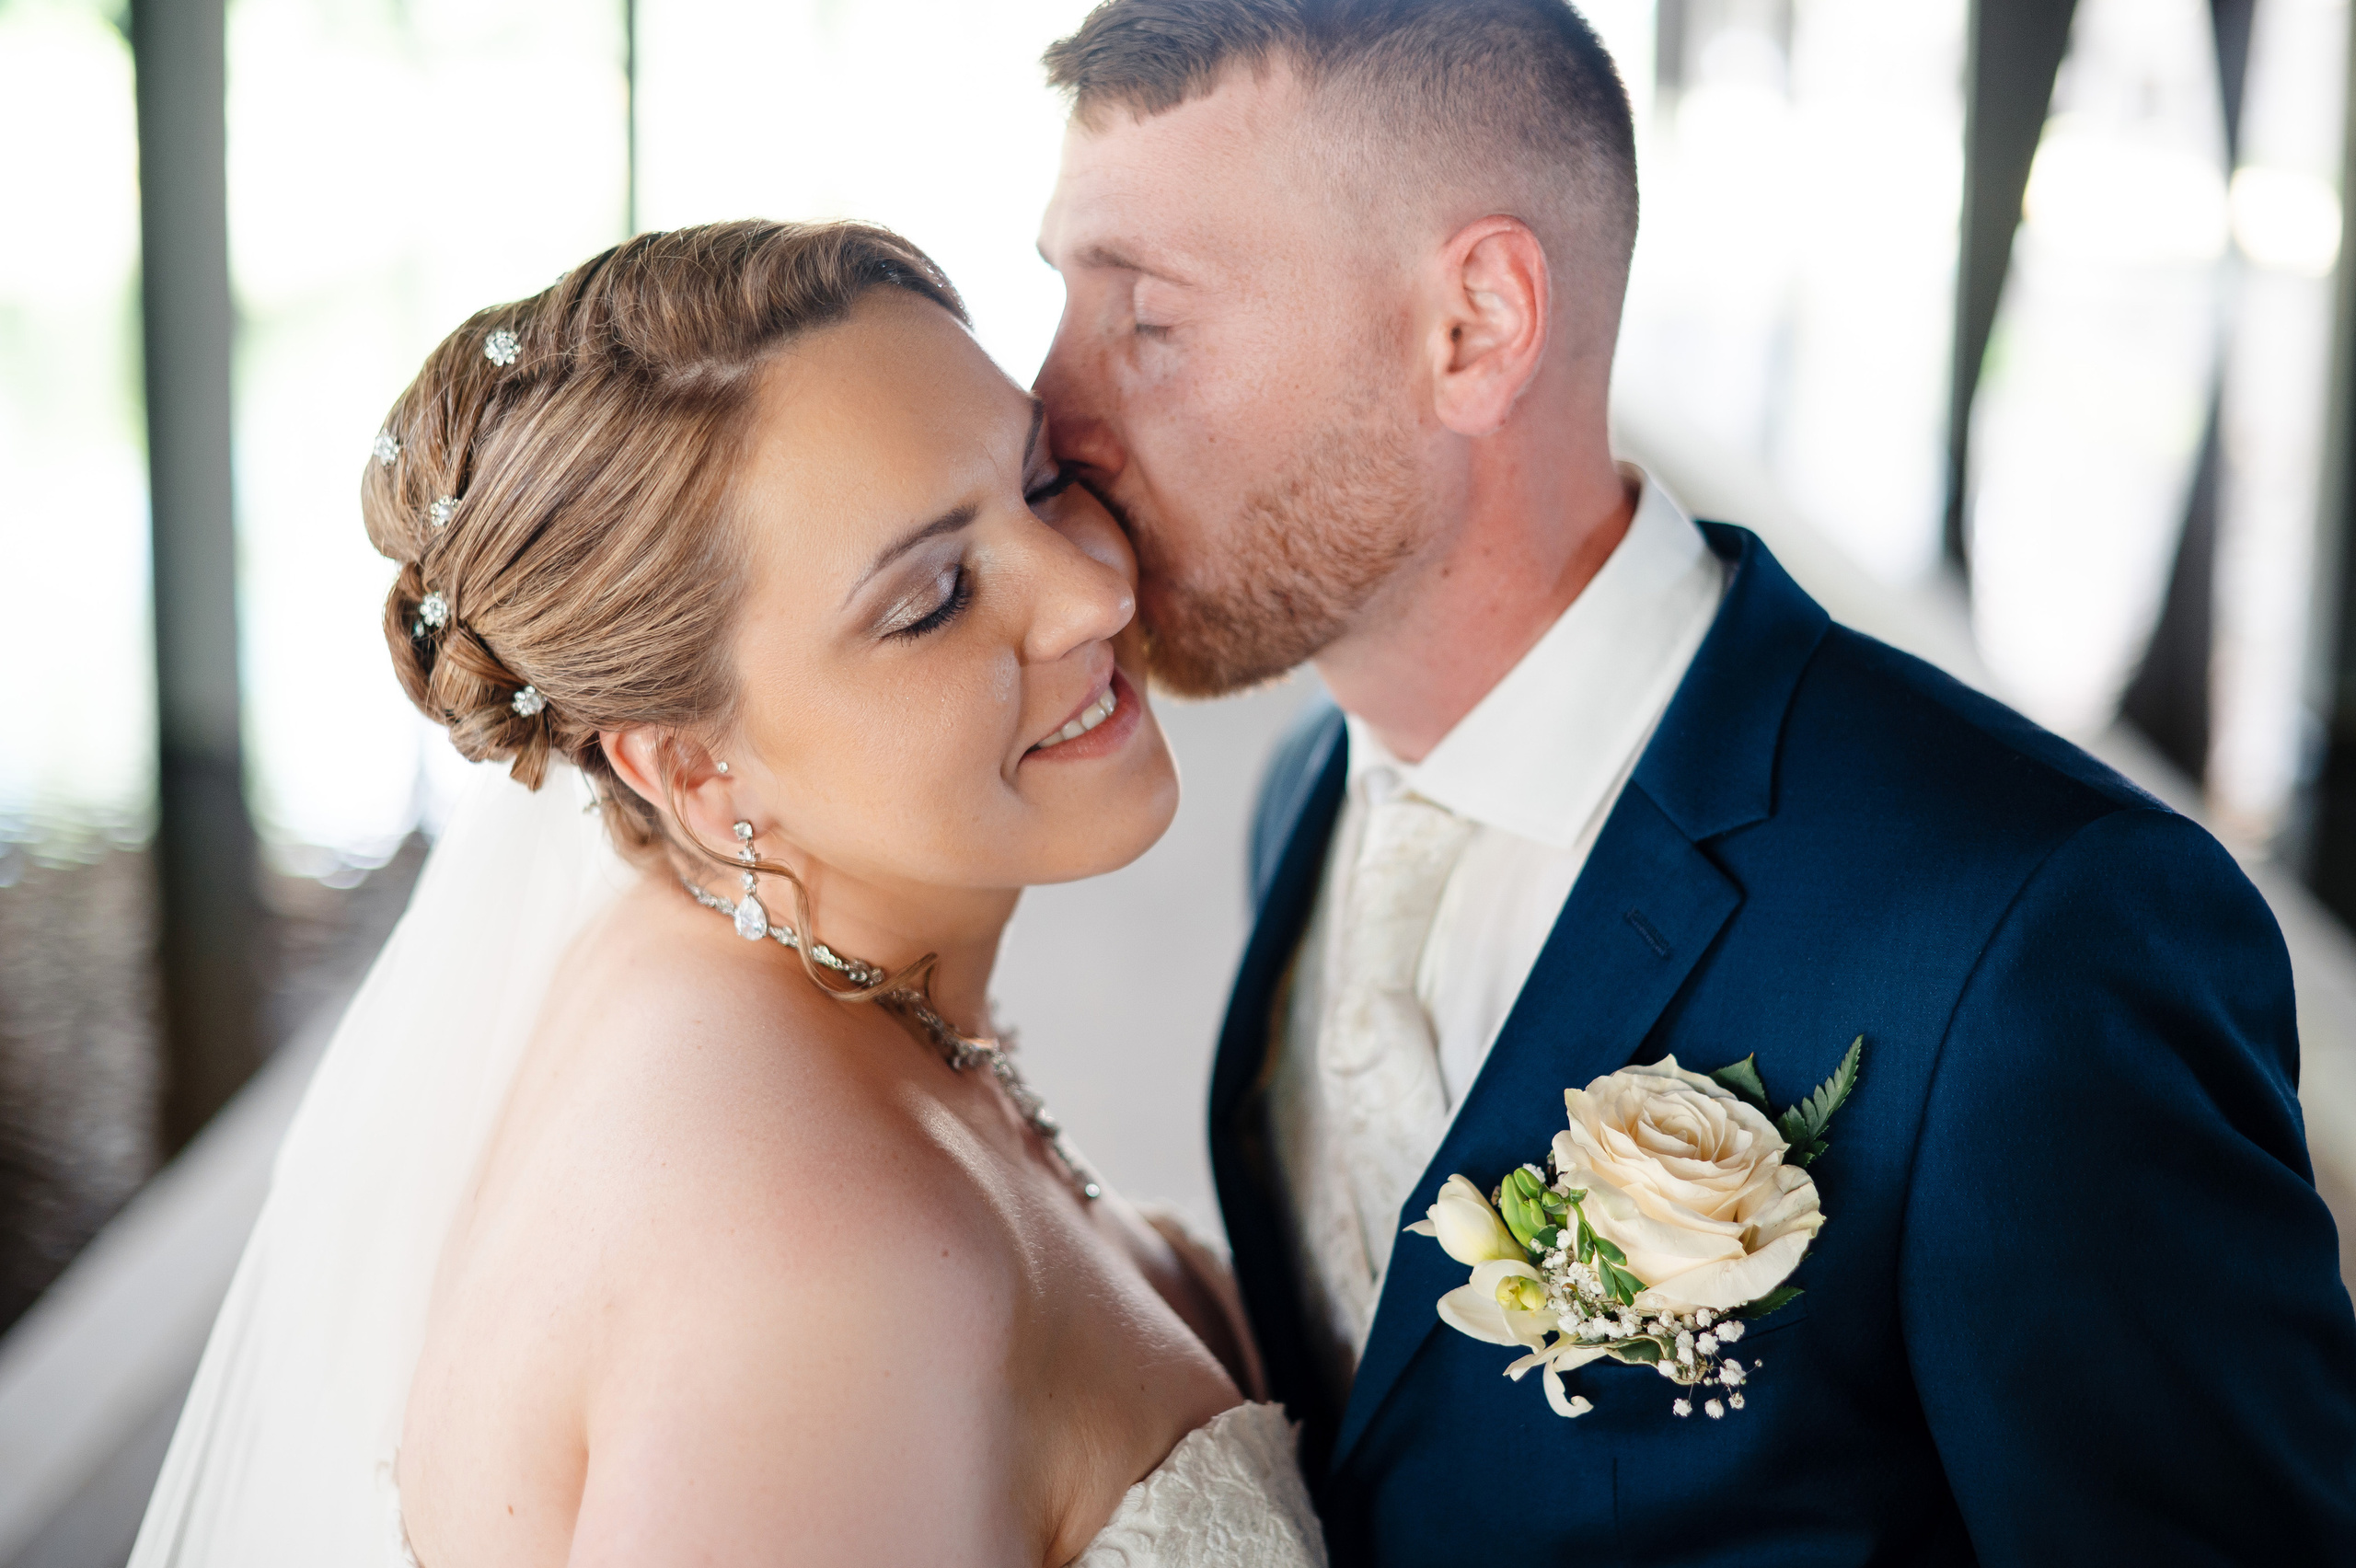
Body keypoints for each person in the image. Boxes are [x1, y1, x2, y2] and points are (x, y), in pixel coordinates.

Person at [1032, 1, 2356, 1563]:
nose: (1049, 417)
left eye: (1150, 322)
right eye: (1062, 301)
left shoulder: (2032, 935)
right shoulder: (1313, 797)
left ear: (1475, 327)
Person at [132, 222, 1325, 1567]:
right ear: (692, 767)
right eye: (933, 596)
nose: (1091, 592)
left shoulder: (700, 956)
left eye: (1043, 481)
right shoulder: (820, 1276)